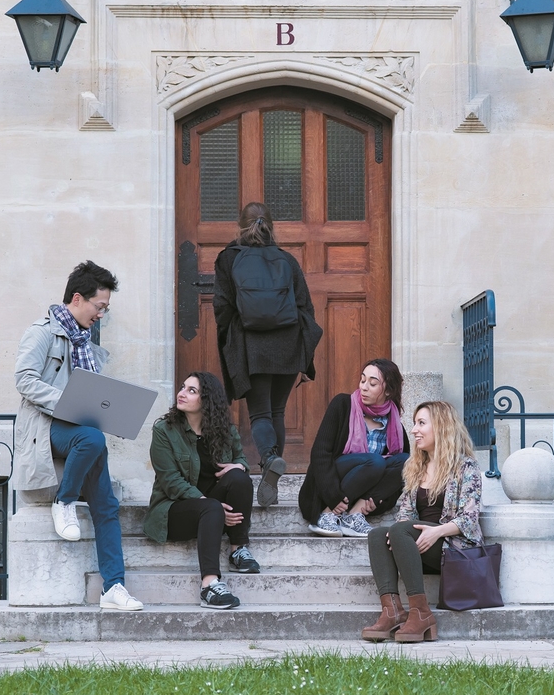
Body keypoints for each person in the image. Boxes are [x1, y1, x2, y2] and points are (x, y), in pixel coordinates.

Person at [14, 261, 143, 611]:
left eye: (105, 309)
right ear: (77, 298)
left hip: (82, 428)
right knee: (92, 440)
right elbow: (24, 380)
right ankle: (65, 500)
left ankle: (114, 587)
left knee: (107, 507)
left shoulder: (84, 340)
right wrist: (69, 404)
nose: (101, 314)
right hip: (47, 427)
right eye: (99, 306)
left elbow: (91, 392)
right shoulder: (41, 332)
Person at [213, 202, 322, 508]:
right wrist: (303, 350)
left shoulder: (228, 258)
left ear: (240, 226)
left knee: (260, 413)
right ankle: (269, 474)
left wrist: (232, 340)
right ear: (271, 226)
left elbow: (223, 307)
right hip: (287, 344)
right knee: (277, 412)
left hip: (252, 345)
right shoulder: (286, 259)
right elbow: (306, 306)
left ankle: (271, 459)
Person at [362, 400, 483, 643]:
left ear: (441, 427)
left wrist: (436, 532)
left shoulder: (465, 467)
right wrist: (401, 533)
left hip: (453, 549)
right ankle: (392, 610)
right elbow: (405, 514)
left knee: (402, 530)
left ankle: (421, 613)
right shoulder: (416, 467)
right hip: (419, 548)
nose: (415, 430)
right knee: (377, 534)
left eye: (421, 423)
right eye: (414, 423)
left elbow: (469, 518)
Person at [143, 372, 257, 609]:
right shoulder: (164, 430)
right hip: (174, 510)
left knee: (240, 478)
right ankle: (209, 585)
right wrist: (210, 505)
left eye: (191, 391)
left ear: (207, 400)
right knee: (211, 507)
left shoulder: (223, 429)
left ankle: (238, 549)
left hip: (212, 508)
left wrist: (240, 465)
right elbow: (171, 481)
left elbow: (240, 459)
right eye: (183, 387)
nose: (181, 393)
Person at [298, 359, 409, 538]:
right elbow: (320, 454)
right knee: (375, 461)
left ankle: (354, 515)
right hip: (329, 489)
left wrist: (377, 501)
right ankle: (328, 514)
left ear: (388, 391)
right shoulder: (343, 405)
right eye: (363, 380)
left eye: (372, 383)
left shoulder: (395, 425)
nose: (364, 387)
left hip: (359, 497)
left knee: (408, 461)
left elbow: (397, 482)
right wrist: (333, 497)